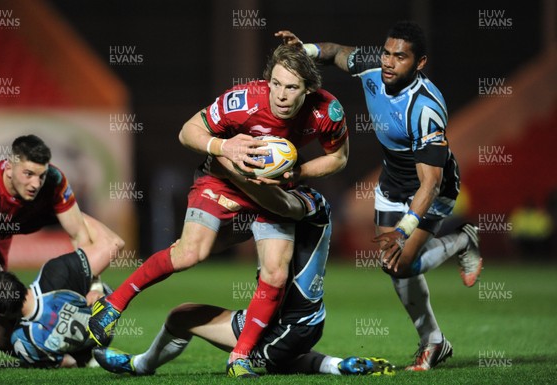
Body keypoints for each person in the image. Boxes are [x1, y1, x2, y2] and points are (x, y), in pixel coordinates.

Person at [87, 44, 349, 377]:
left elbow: (338, 158)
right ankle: (114, 303)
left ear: (308, 89)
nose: (281, 95)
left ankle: (238, 358)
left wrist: (298, 174)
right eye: (276, 84)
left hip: (270, 191)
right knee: (189, 253)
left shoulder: (327, 111)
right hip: (221, 181)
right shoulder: (243, 101)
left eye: (292, 87)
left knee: (276, 273)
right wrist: (224, 146)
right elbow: (187, 132)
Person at [276, 21, 482, 371]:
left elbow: (429, 183)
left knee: (402, 262)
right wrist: (305, 49)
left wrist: (403, 230)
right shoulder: (372, 64)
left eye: (400, 57)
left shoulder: (426, 108)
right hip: (391, 183)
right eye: (387, 53)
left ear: (419, 63)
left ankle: (462, 240)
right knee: (393, 266)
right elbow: (335, 52)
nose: (388, 62)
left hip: (433, 189)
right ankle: (434, 341)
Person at [93, 183, 394, 377]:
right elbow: (227, 240)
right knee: (182, 315)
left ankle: (331, 365)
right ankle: (141, 365)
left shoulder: (307, 201)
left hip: (292, 324)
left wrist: (249, 195)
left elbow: (289, 208)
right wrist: (195, 242)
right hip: (278, 320)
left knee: (272, 361)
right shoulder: (270, 207)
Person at [0, 215, 124, 368]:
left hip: (80, 353)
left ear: (1, 314)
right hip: (108, 315)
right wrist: (70, 213)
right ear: (12, 278)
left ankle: (84, 357)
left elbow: (69, 362)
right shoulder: (55, 273)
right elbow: (115, 243)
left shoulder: (24, 341)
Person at [0, 134, 95, 271]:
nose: (36, 184)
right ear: (9, 168)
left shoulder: (54, 180)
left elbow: (79, 234)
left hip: (3, 232)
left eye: (41, 175)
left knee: (111, 243)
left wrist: (92, 286)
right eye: (28, 174)